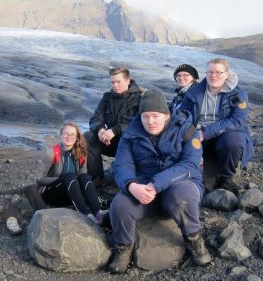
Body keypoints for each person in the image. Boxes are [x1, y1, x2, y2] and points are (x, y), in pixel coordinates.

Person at [107, 89, 211, 274]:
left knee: (182, 197)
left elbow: (190, 165)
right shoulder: (130, 134)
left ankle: (194, 239)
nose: (150, 121)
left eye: (155, 116)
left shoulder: (187, 131)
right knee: (120, 205)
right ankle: (124, 248)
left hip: (179, 183)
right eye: (145, 116)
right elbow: (122, 166)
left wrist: (156, 184)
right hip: (144, 188)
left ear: (166, 115)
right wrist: (132, 185)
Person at [5, 122, 107, 234]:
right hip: (49, 193)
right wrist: (63, 179)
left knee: (85, 177)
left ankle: (98, 213)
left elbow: (82, 176)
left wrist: (71, 181)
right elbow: (39, 178)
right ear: (61, 135)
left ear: (77, 137)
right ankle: (87, 215)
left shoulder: (81, 153)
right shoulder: (52, 153)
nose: (69, 137)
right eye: (66, 134)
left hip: (71, 191)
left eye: (72, 135)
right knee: (70, 177)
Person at [179, 58, 253, 194]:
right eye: (210, 72)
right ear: (205, 74)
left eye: (218, 72)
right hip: (198, 133)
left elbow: (237, 121)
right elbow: (183, 115)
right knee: (180, 144)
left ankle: (226, 179)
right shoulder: (194, 91)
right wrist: (190, 134)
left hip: (224, 132)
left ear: (227, 74)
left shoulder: (238, 94)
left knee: (233, 143)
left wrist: (205, 133)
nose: (213, 76)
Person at [85, 66, 143, 183]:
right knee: (88, 136)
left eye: (118, 82)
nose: (115, 85)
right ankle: (97, 177)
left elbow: (138, 123)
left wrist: (114, 130)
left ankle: (130, 179)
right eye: (112, 82)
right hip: (110, 141)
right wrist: (101, 130)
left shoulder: (140, 98)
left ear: (127, 81)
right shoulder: (107, 97)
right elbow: (95, 118)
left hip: (129, 143)